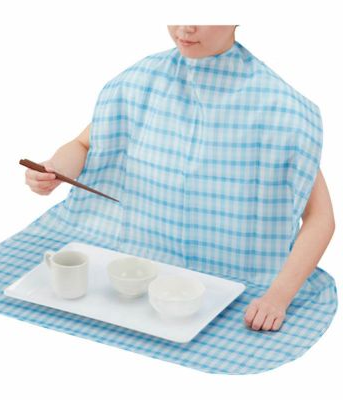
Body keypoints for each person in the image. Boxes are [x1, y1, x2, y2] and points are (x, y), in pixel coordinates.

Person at [24, 25, 335, 332]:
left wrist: (277, 297)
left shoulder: (277, 107)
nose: (186, 26)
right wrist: (55, 168)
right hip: (137, 266)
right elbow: (82, 144)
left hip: (236, 283)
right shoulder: (141, 82)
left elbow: (320, 218)